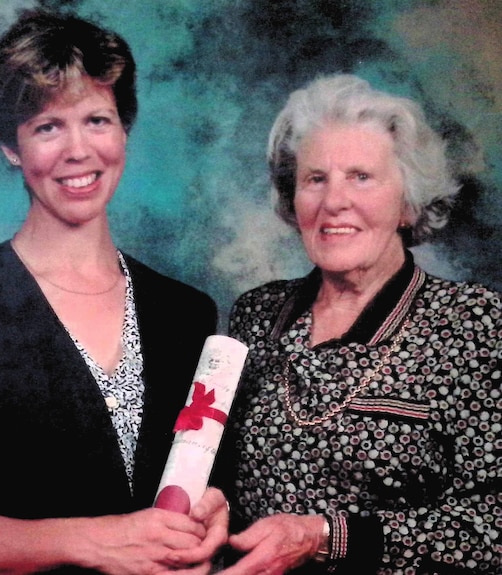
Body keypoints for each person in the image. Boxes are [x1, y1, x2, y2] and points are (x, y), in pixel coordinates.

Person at [0, 9, 227, 575]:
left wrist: (213, 510)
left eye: (97, 120)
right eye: (47, 127)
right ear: (11, 147)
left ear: (123, 129)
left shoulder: (185, 311)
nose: (78, 151)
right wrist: (97, 541)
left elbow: (207, 482)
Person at [214, 74, 501, 574]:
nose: (334, 202)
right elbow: (219, 475)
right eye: (315, 179)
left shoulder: (476, 325)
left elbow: (494, 523)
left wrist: (326, 537)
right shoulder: (256, 315)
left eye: (361, 177)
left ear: (408, 203)